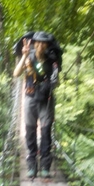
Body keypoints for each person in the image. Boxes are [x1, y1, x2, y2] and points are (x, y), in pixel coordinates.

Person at [13, 31, 60, 178]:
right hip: (30, 97)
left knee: (46, 131)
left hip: (46, 98)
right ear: (34, 44)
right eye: (37, 42)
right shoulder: (28, 58)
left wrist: (51, 82)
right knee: (30, 131)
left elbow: (56, 81)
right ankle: (32, 164)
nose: (40, 45)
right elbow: (16, 73)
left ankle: (45, 166)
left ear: (46, 45)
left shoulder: (52, 60)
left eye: (43, 43)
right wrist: (25, 55)